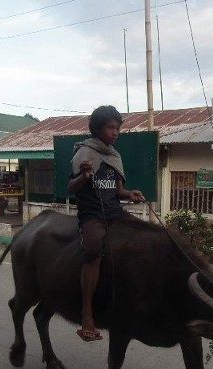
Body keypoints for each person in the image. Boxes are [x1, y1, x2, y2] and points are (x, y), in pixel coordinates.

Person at [68, 105, 145, 342]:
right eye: (110, 127)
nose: (115, 132)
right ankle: (87, 313)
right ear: (97, 129)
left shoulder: (115, 155)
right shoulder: (83, 153)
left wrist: (130, 193)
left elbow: (118, 190)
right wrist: (84, 177)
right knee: (93, 251)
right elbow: (71, 188)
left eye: (118, 127)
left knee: (144, 238)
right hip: (93, 216)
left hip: (115, 213)